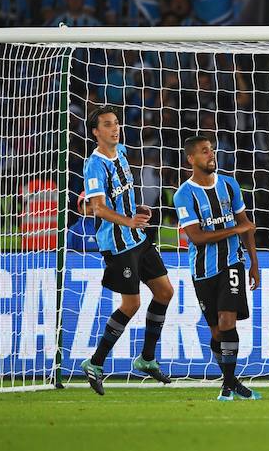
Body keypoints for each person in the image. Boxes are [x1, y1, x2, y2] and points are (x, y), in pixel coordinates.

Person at [80, 105, 174, 395]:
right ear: (96, 132)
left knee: (165, 292)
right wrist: (128, 220)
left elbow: (123, 195)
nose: (115, 128)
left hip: (137, 237)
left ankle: (146, 359)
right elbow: (97, 208)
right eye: (107, 124)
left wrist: (137, 210)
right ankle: (95, 363)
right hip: (118, 245)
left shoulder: (120, 152)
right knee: (131, 304)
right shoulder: (94, 164)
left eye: (116, 123)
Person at [173, 135, 261, 401]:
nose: (211, 155)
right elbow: (197, 237)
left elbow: (246, 226)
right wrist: (235, 229)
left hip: (232, 262)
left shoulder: (230, 185)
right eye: (203, 152)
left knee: (227, 321)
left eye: (211, 150)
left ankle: (227, 385)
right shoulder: (183, 194)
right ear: (191, 159)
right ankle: (231, 381)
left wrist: (255, 264)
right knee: (216, 332)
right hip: (201, 270)